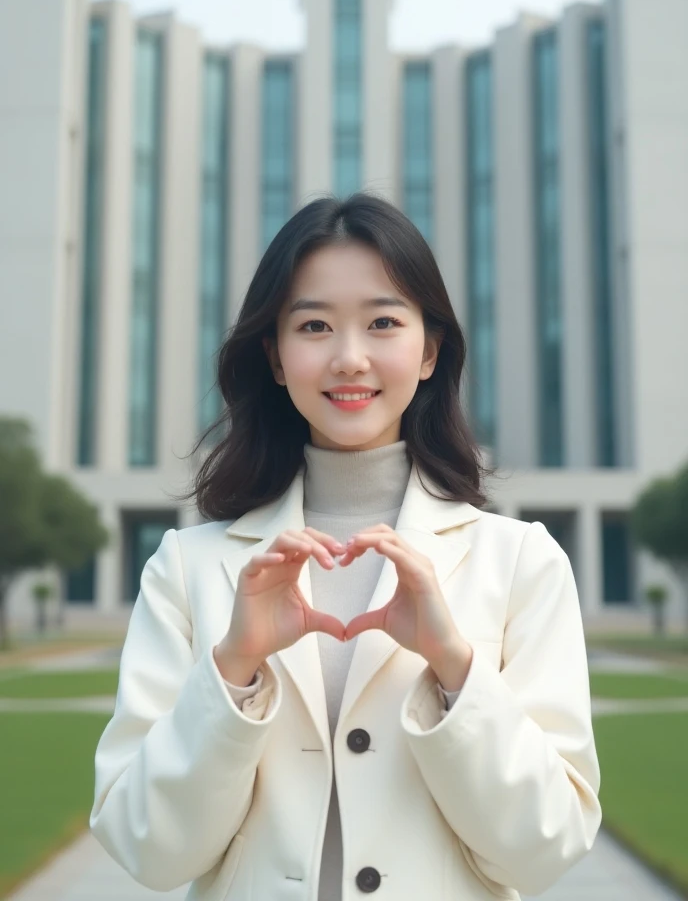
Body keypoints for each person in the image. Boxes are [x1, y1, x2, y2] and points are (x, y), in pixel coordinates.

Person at [90, 193, 601, 901]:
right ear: (274, 356)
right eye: (315, 326)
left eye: (384, 322)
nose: (349, 357)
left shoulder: (521, 562)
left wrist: (455, 668)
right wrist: (234, 670)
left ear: (429, 352)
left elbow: (547, 846)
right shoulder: (188, 568)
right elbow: (147, 849)